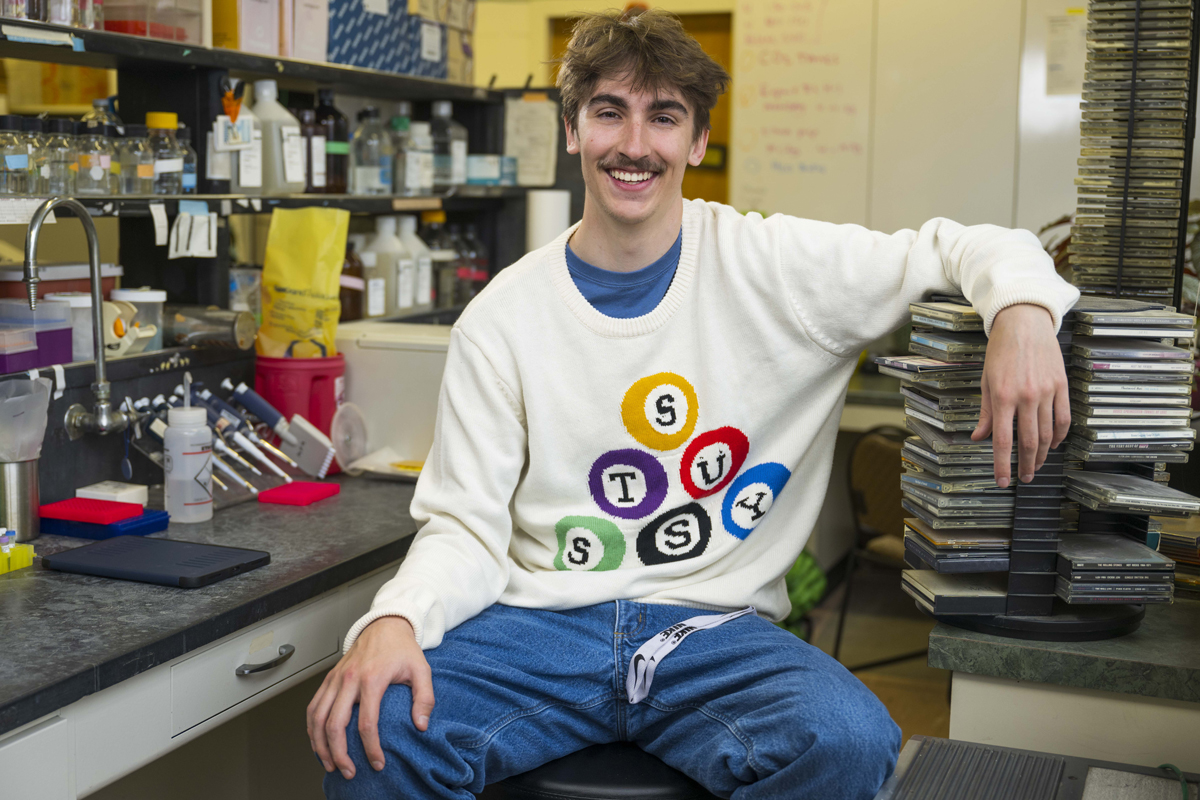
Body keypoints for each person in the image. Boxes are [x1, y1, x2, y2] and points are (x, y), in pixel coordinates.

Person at [309, 9, 1079, 799]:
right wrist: (397, 619)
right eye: (609, 112)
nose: (634, 144)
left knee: (849, 741)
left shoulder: (776, 268)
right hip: (537, 630)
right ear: (572, 130)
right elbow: (465, 527)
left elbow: (962, 244)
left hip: (712, 631)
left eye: (664, 117)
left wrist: (1021, 311)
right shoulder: (501, 319)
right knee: (376, 728)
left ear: (699, 141)